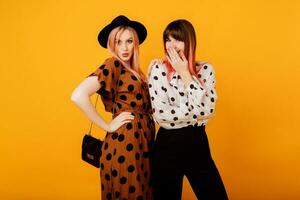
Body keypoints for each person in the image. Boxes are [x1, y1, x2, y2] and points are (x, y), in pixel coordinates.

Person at [71, 15, 155, 200]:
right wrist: (107, 126)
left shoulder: (137, 72)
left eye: (129, 41)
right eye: (118, 42)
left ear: (136, 43)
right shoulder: (113, 64)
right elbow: (78, 95)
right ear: (111, 44)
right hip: (126, 146)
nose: (124, 48)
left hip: (143, 146)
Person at [148, 19, 228, 200]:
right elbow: (161, 115)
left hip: (198, 145)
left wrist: (184, 73)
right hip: (167, 148)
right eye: (167, 40)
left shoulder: (205, 69)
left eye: (177, 39)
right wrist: (194, 110)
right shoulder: (157, 69)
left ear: (190, 42)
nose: (171, 45)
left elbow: (207, 112)